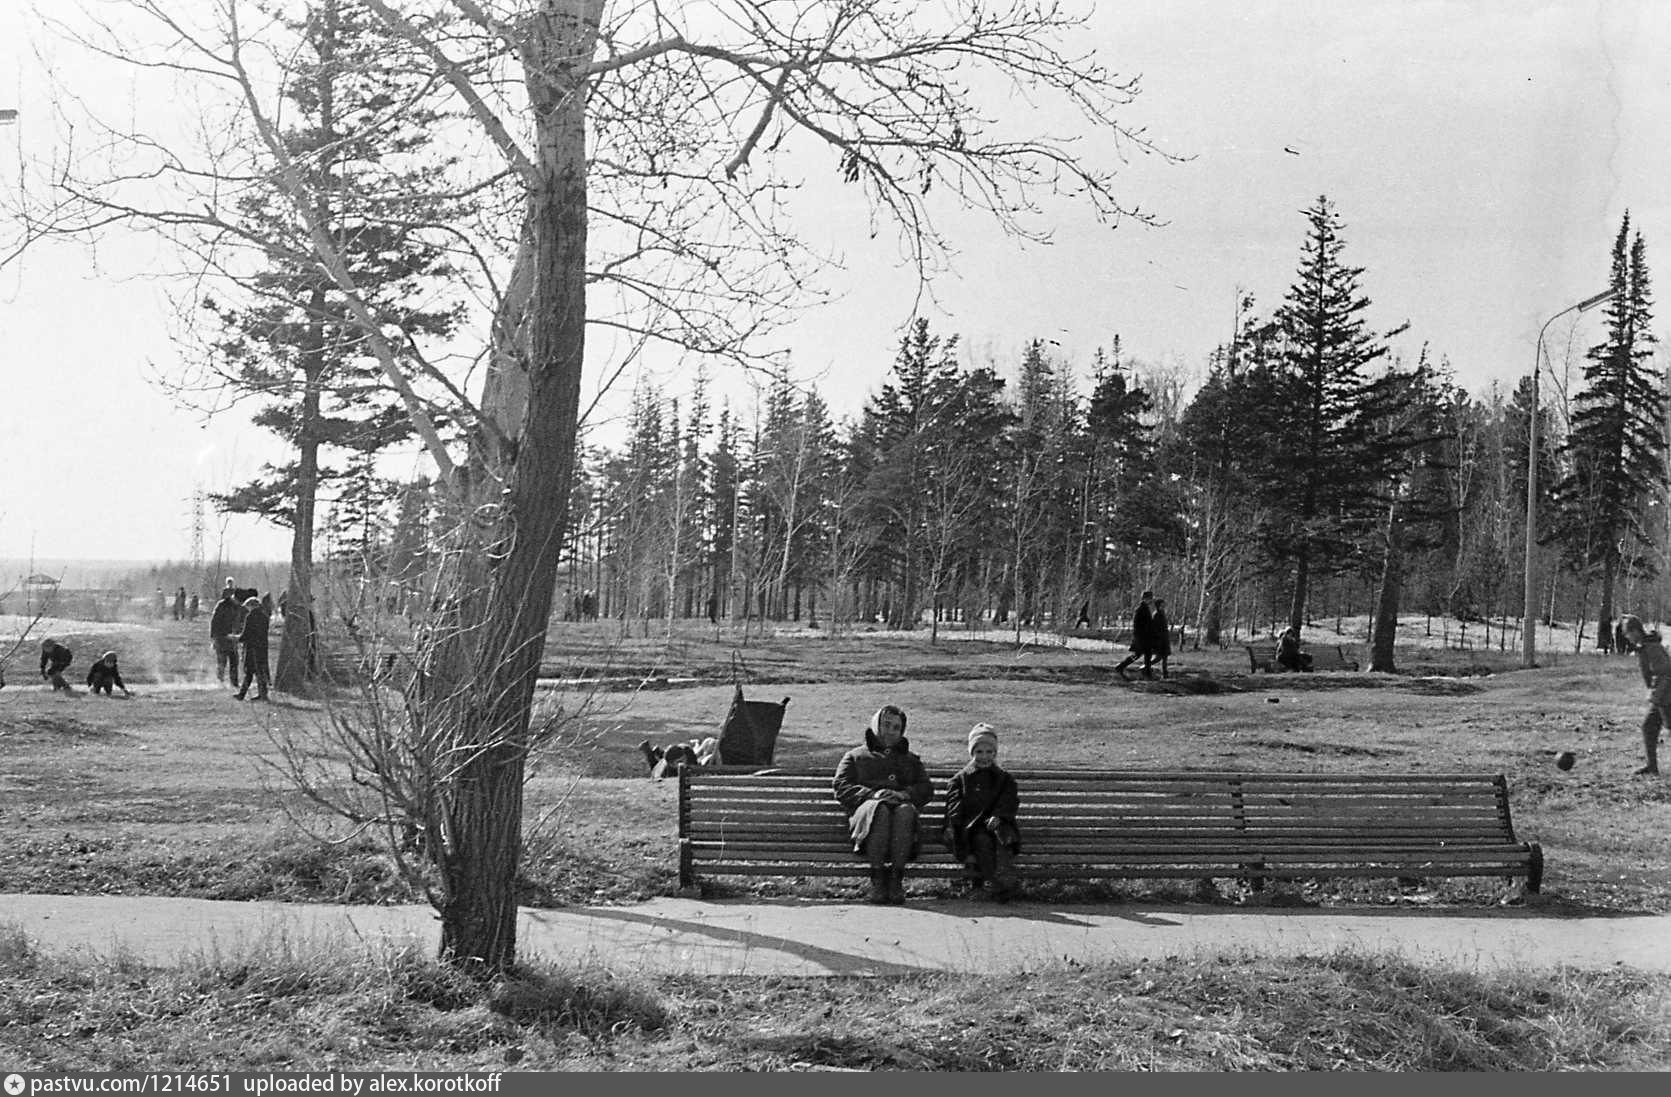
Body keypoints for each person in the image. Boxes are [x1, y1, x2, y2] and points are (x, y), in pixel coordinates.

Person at [832, 704, 933, 904]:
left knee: (905, 811)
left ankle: (896, 880)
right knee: (881, 809)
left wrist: (904, 794)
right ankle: (877, 880)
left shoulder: (910, 759)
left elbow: (926, 789)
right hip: (867, 816)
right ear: (876, 725)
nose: (891, 732)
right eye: (886, 725)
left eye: (897, 728)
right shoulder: (855, 756)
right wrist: (872, 794)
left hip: (901, 817)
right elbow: (841, 786)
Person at [941, 723, 1021, 902]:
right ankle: (995, 883)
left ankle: (1004, 880)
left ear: (995, 753)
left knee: (1003, 838)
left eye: (989, 752)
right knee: (981, 840)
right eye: (979, 752)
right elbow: (954, 807)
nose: (984, 757)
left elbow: (1009, 800)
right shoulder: (960, 779)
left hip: (997, 824)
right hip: (969, 827)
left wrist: (999, 816)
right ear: (972, 753)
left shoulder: (1004, 778)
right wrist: (959, 824)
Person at [1619, 615, 1665, 776]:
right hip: (1661, 696)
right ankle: (1651, 767)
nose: (1626, 637)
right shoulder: (1645, 646)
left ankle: (1652, 767)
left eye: (1627, 633)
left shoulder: (1652, 647)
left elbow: (1667, 672)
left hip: (1666, 696)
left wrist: (1658, 695)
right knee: (1648, 727)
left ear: (1635, 631)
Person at [233, 595, 270, 701]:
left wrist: (236, 638)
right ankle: (263, 694)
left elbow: (246, 634)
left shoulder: (250, 617)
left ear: (251, 606)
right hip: (262, 647)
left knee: (249, 672)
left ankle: (241, 695)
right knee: (260, 672)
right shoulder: (265, 616)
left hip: (252, 648)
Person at [1114, 590, 1156, 679]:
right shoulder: (1141, 609)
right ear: (1146, 599)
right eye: (1150, 598)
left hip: (1144, 637)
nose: (1151, 600)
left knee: (1145, 655)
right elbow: (1139, 625)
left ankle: (1146, 673)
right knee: (1140, 654)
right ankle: (1121, 667)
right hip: (1142, 637)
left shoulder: (1144, 608)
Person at [209, 587, 243, 687]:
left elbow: (239, 622)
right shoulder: (221, 605)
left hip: (232, 638)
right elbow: (214, 621)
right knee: (221, 661)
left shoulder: (237, 607)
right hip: (221, 637)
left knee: (234, 661)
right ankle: (220, 682)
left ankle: (234, 683)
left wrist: (238, 633)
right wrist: (213, 637)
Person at [1150, 597, 1173, 679]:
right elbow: (1154, 628)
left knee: (1165, 657)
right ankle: (1145, 666)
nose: (1164, 606)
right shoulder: (1156, 614)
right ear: (1158, 605)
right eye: (1162, 605)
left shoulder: (1162, 613)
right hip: (1159, 639)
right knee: (1158, 657)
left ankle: (1165, 674)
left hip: (1164, 638)